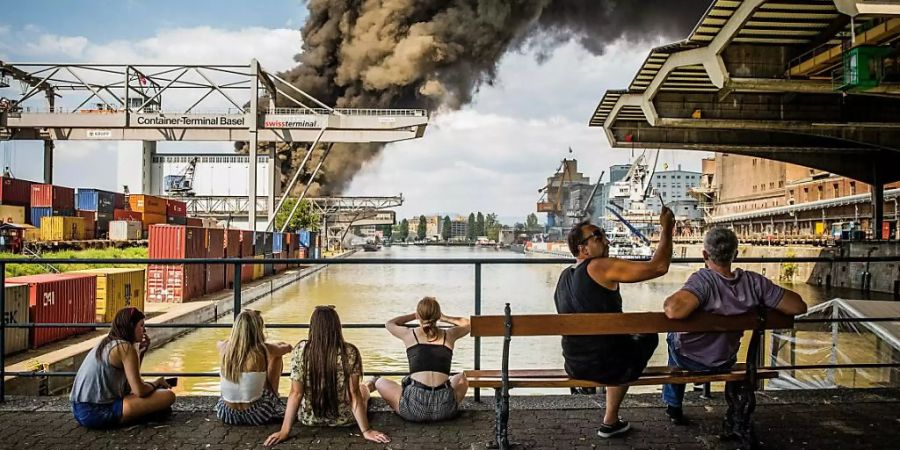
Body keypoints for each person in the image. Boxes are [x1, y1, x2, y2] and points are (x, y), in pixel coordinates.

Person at [661, 227, 807, 424]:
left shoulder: (703, 280)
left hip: (689, 360)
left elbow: (673, 310)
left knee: (673, 337)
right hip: (725, 360)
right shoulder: (754, 283)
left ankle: (674, 405)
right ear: (735, 254)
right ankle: (734, 407)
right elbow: (798, 306)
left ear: (705, 254)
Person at [554, 207, 675, 439]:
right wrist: (667, 229)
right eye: (598, 236)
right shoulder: (601, 266)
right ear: (583, 249)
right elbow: (659, 267)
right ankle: (609, 419)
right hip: (609, 364)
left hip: (574, 364)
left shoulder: (563, 277)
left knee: (618, 344)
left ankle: (611, 421)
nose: (606, 240)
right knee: (647, 336)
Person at [264, 306, 389, 446]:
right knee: (362, 390)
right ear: (337, 327)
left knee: (359, 389)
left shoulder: (301, 350)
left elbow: (296, 393)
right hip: (344, 418)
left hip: (309, 418)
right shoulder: (350, 351)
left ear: (313, 327)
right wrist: (366, 431)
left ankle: (369, 384)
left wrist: (284, 431)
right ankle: (370, 384)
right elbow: (354, 395)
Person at [70, 307, 176, 429]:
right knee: (168, 396)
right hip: (97, 412)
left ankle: (140, 415)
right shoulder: (125, 348)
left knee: (156, 399)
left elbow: (129, 385)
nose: (144, 330)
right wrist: (157, 383)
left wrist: (141, 353)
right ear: (131, 326)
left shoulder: (107, 342)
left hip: (80, 410)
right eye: (141, 326)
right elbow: (139, 391)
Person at [370, 296, 470, 422]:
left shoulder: (409, 334)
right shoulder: (449, 334)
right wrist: (444, 317)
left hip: (415, 408)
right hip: (445, 408)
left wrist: (414, 315)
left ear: (419, 316)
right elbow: (467, 324)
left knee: (379, 382)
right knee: (462, 377)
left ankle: (364, 392)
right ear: (437, 316)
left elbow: (389, 324)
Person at [216, 309, 293, 425]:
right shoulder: (262, 349)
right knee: (277, 357)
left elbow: (219, 342)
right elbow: (287, 348)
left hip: (226, 414)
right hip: (257, 415)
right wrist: (278, 344)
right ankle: (274, 398)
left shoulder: (224, 347)